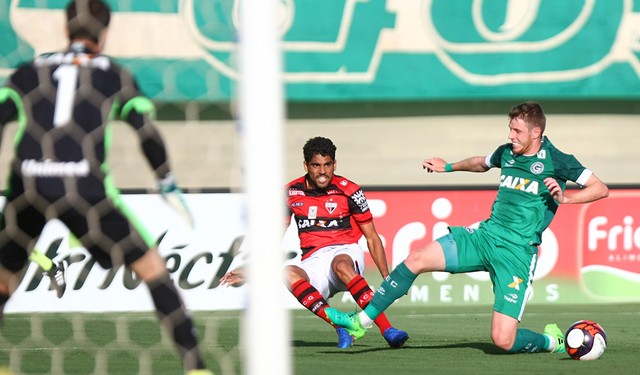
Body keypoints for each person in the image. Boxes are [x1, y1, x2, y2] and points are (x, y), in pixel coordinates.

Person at [0, 1, 211, 374]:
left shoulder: (29, 71)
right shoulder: (114, 74)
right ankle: (196, 368)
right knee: (152, 270)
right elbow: (145, 130)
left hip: (28, 186)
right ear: (106, 32)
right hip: (84, 189)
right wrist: (166, 181)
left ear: (66, 29)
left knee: (3, 279)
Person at [326, 101, 609, 354]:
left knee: (502, 340)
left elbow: (600, 188)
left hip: (517, 254)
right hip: (484, 237)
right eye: (510, 129)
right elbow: (481, 163)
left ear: (536, 133)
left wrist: (566, 197)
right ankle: (360, 322)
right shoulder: (507, 153)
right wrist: (447, 167)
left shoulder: (557, 160)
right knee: (416, 258)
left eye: (517, 131)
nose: (511, 136)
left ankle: (551, 341)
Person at [221, 136, 409, 349]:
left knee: (341, 264)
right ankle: (341, 326)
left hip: (346, 250)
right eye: (316, 165)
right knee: (288, 272)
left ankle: (388, 330)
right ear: (306, 165)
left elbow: (372, 236)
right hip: (314, 259)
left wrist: (387, 276)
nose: (322, 171)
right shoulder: (289, 193)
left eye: (327, 165)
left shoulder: (350, 190)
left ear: (334, 164)